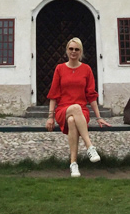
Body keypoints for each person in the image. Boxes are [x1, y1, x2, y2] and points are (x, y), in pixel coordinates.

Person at [45, 37, 111, 177]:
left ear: (80, 52)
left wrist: (99, 117)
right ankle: (89, 146)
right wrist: (50, 117)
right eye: (71, 49)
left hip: (82, 112)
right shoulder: (60, 69)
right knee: (74, 109)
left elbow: (91, 96)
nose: (73, 52)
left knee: (72, 121)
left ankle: (73, 164)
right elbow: (53, 95)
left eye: (76, 49)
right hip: (63, 109)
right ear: (67, 51)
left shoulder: (86, 69)